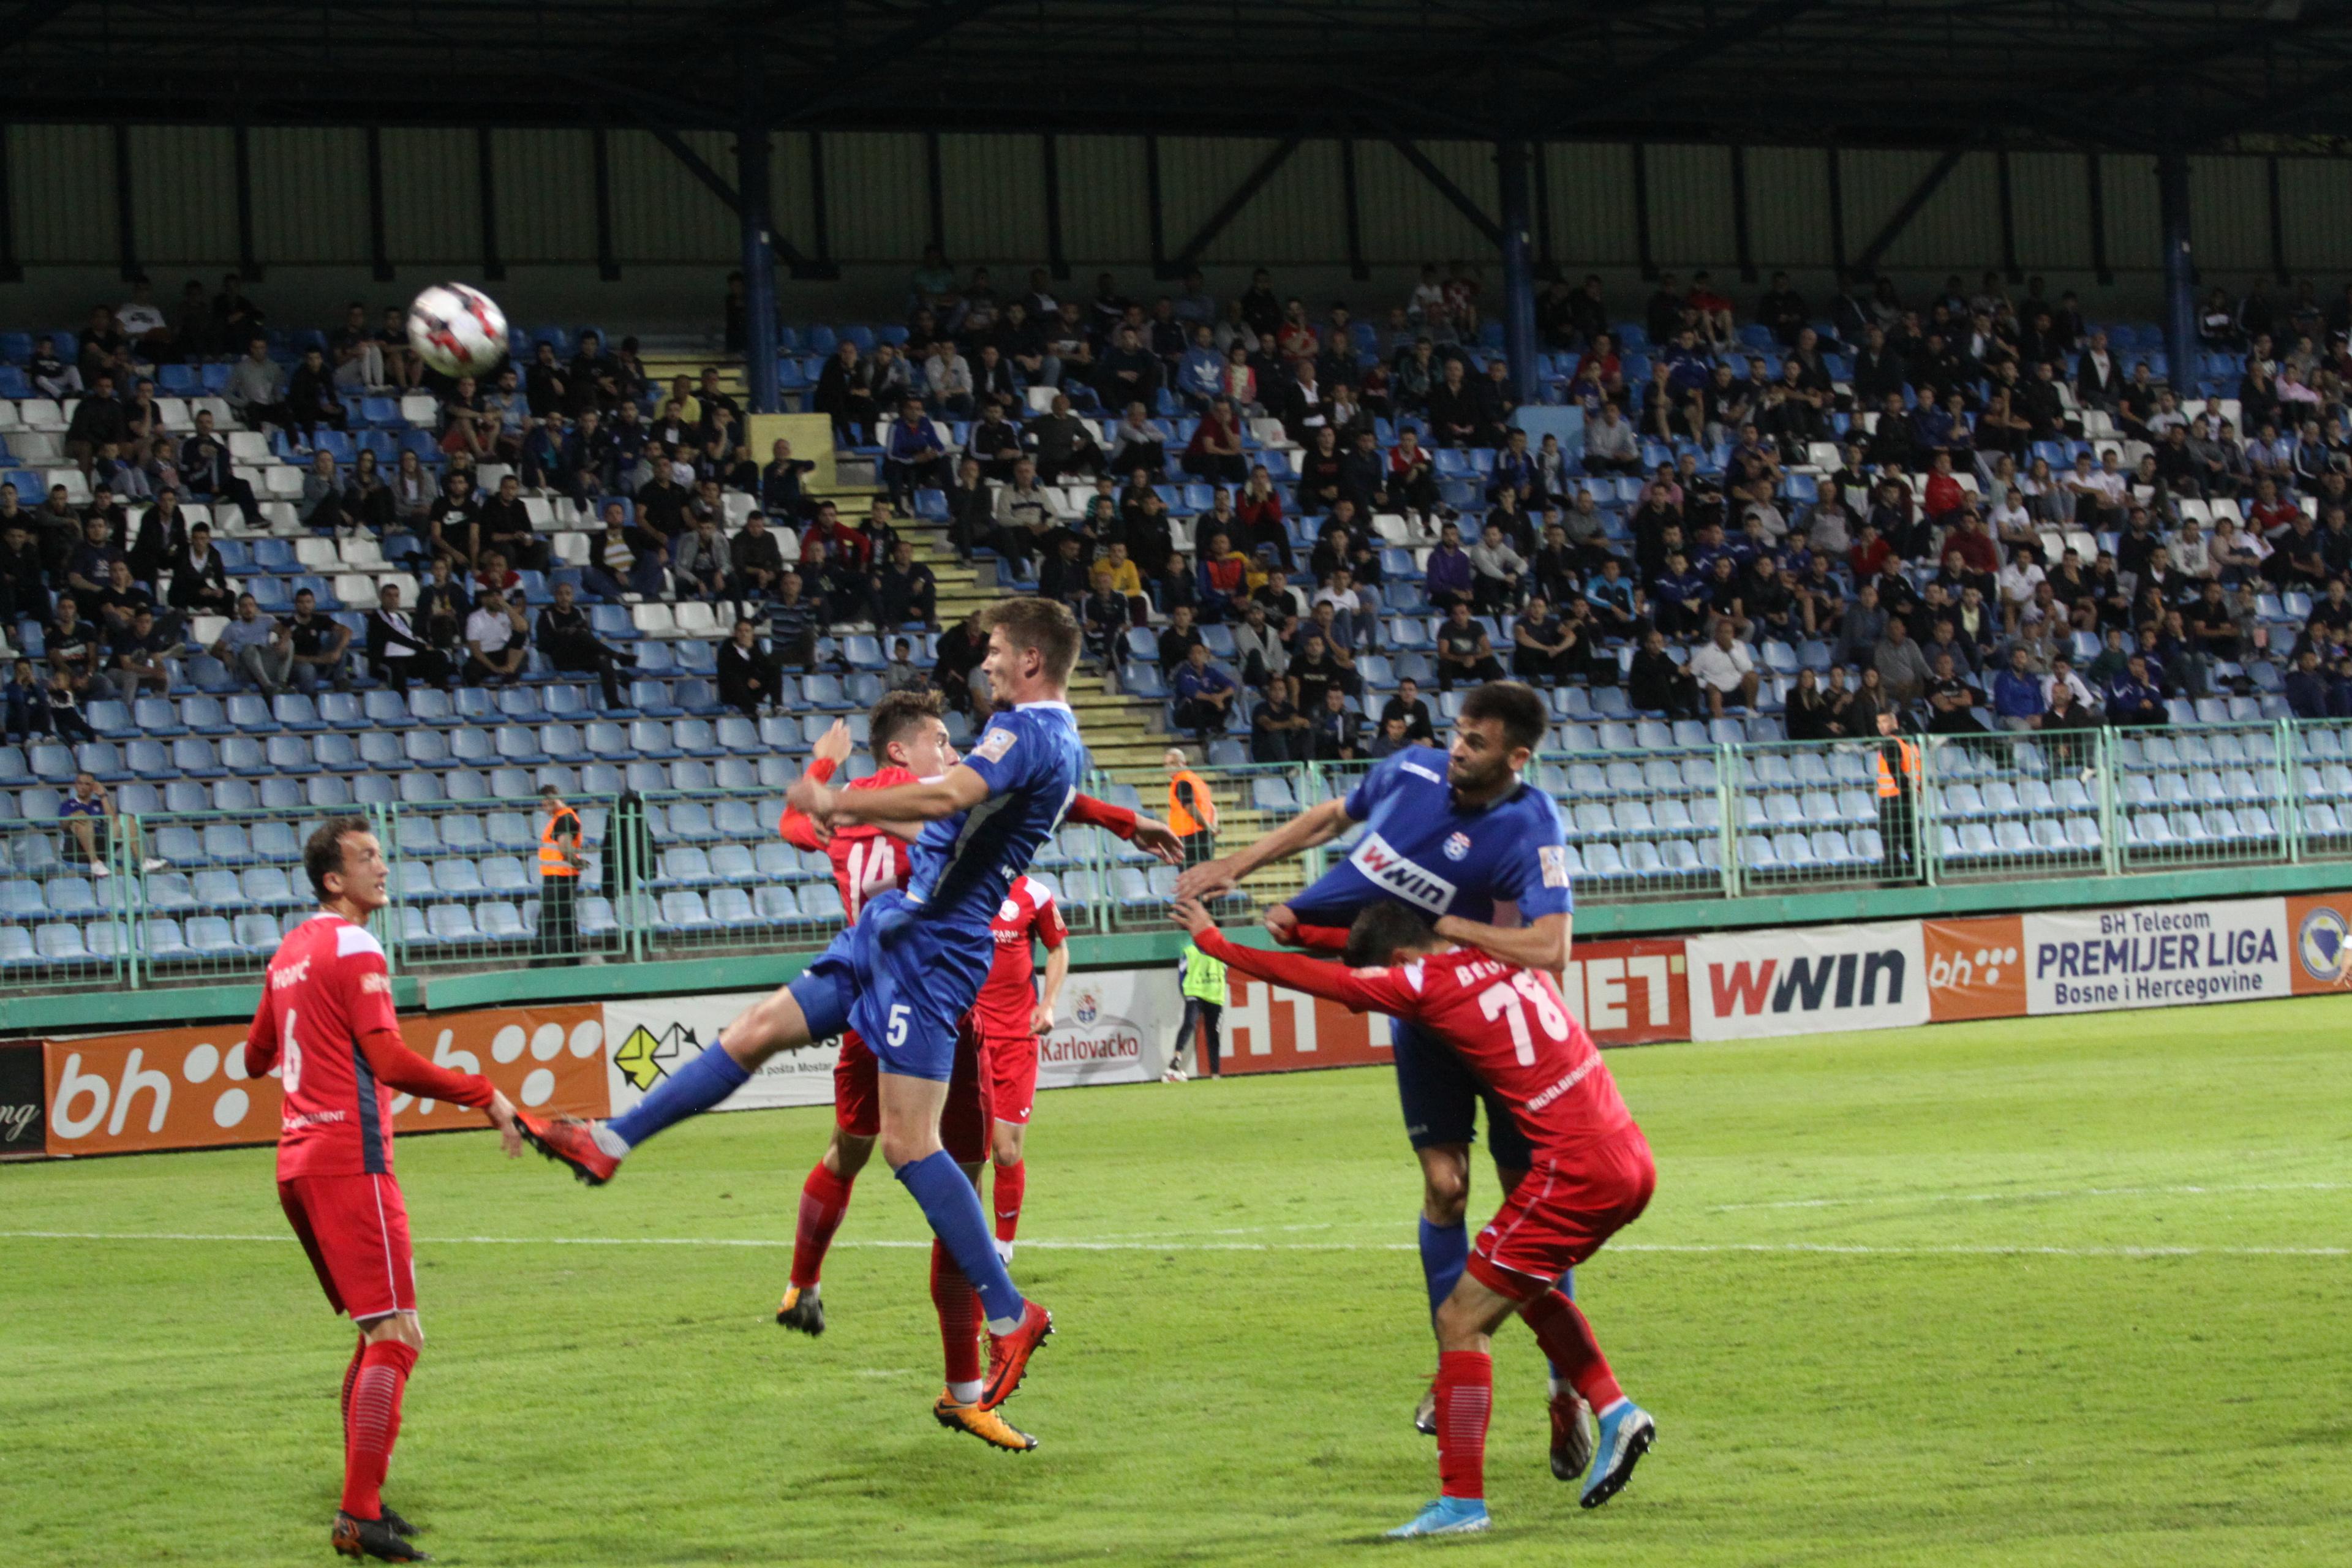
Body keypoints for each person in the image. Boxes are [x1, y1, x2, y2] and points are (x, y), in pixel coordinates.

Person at [521, 601, 1184, 1438]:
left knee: (909, 1146)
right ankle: (609, 1144)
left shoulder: (1028, 733)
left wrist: (834, 801)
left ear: (1030, 662)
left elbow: (948, 793)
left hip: (933, 948)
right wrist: (1125, 821)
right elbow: (1001, 797)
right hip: (895, 927)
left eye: (994, 654)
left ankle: (1012, 1316)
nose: (981, 666)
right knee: (757, 1031)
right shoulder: (1043, 737)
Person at [1173, 682, 1588, 1456]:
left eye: (1478, 742)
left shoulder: (1533, 827)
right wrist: (1244, 861)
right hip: (1424, 1017)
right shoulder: (1413, 771)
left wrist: (1449, 928)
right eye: (1459, 733)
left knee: (1530, 1211)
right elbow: (1335, 815)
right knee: (1444, 1186)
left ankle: (1566, 1388)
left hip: (1497, 1026)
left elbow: (1553, 946)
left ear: (1517, 757)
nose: (1459, 748)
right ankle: (1455, 1355)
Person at [1171, 895, 1655, 1536]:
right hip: (1628, 1150)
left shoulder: (1424, 986)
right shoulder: (1491, 952)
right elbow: (1388, 945)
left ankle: (1462, 1503)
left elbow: (1324, 980)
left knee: (1459, 1318)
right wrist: (1310, 928)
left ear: (1399, 963)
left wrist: (1215, 942)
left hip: (1576, 1171)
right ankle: (1612, 1410)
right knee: (1523, 1287)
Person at [771, 692, 1147, 1420]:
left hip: (864, 1005)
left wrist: (824, 762)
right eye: (941, 740)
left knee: (850, 1150)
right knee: (953, 1183)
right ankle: (969, 1379)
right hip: (941, 1007)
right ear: (902, 752)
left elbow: (794, 822)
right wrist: (1124, 821)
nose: (954, 751)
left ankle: (802, 1285)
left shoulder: (847, 808)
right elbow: (1041, 805)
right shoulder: (932, 812)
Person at [241, 818, 529, 1565]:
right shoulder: (355, 944)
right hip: (349, 1158)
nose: (382, 866)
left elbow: (254, 1056)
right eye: (366, 857)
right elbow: (391, 1061)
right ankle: (357, 1513)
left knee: (377, 1333)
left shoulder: (289, 952)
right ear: (333, 880)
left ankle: (363, 1500)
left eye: (381, 854)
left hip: (297, 1163)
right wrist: (485, 1093)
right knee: (399, 1336)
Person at [978, 873, 1070, 1264]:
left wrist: (1047, 1003)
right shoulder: (959, 886)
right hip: (967, 1038)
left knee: (1006, 1149)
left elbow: (1058, 949)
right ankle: (971, 1244)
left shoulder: (1035, 894)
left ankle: (1002, 1247)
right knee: (968, 1153)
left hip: (1017, 1038)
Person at [536, 580, 635, 710]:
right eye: (560, 594)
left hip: (580, 657)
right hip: (562, 659)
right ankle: (618, 658)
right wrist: (564, 635)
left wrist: (574, 634)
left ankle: (613, 703)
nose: (564, 597)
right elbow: (543, 643)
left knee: (603, 659)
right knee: (581, 634)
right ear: (555, 596)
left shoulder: (578, 613)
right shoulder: (547, 615)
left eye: (568, 594)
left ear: (572, 597)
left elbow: (588, 641)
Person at [535, 786, 582, 968]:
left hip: (558, 877)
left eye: (546, 805)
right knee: (566, 922)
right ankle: (573, 963)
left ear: (554, 801)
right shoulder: (563, 817)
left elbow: (564, 848)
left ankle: (537, 966)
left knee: (547, 922)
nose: (544, 809)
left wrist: (578, 863)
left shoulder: (565, 819)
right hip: (562, 876)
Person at [1873, 709, 1921, 881]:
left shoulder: (1890, 743)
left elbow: (1897, 773)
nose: (1881, 727)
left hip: (1893, 799)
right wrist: (1916, 793)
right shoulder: (1910, 743)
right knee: (1912, 842)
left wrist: (1907, 792)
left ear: (1894, 723)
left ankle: (1893, 881)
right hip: (1910, 799)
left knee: (1891, 843)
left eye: (1884, 722)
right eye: (1879, 723)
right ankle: (1923, 879)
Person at [1173, 935, 1226, 1080]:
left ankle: (1215, 1073)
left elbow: (1224, 973)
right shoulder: (1190, 952)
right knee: (1189, 1023)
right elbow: (1182, 975)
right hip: (1194, 994)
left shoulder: (1220, 953)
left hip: (1214, 997)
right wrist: (1185, 993)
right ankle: (1176, 1058)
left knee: (1213, 1034)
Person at [1166, 747, 1219, 869]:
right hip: (1204, 837)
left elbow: (1190, 808)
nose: (1168, 767)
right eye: (1166, 764)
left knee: (1191, 880)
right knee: (1205, 877)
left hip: (1189, 838)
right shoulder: (1196, 780)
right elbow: (1212, 808)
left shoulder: (1181, 782)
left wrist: (1207, 827)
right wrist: (1212, 828)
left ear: (1183, 764)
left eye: (1173, 763)